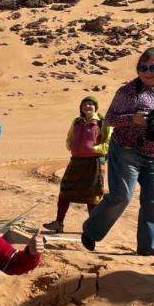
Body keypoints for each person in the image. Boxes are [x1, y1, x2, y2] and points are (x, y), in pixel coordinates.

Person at [81, 47, 154, 257]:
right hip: (126, 151)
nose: (147, 71)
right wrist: (133, 119)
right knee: (122, 196)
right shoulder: (127, 92)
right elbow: (109, 119)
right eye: (142, 67)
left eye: (152, 67)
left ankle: (150, 247)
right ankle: (91, 231)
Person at [43, 95, 112, 233]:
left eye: (90, 104)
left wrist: (94, 149)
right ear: (81, 107)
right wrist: (70, 145)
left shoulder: (103, 122)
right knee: (65, 190)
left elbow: (109, 143)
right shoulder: (76, 121)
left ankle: (93, 227)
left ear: (95, 107)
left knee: (92, 195)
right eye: (85, 104)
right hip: (76, 160)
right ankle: (59, 223)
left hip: (95, 162)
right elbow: (69, 137)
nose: (87, 107)